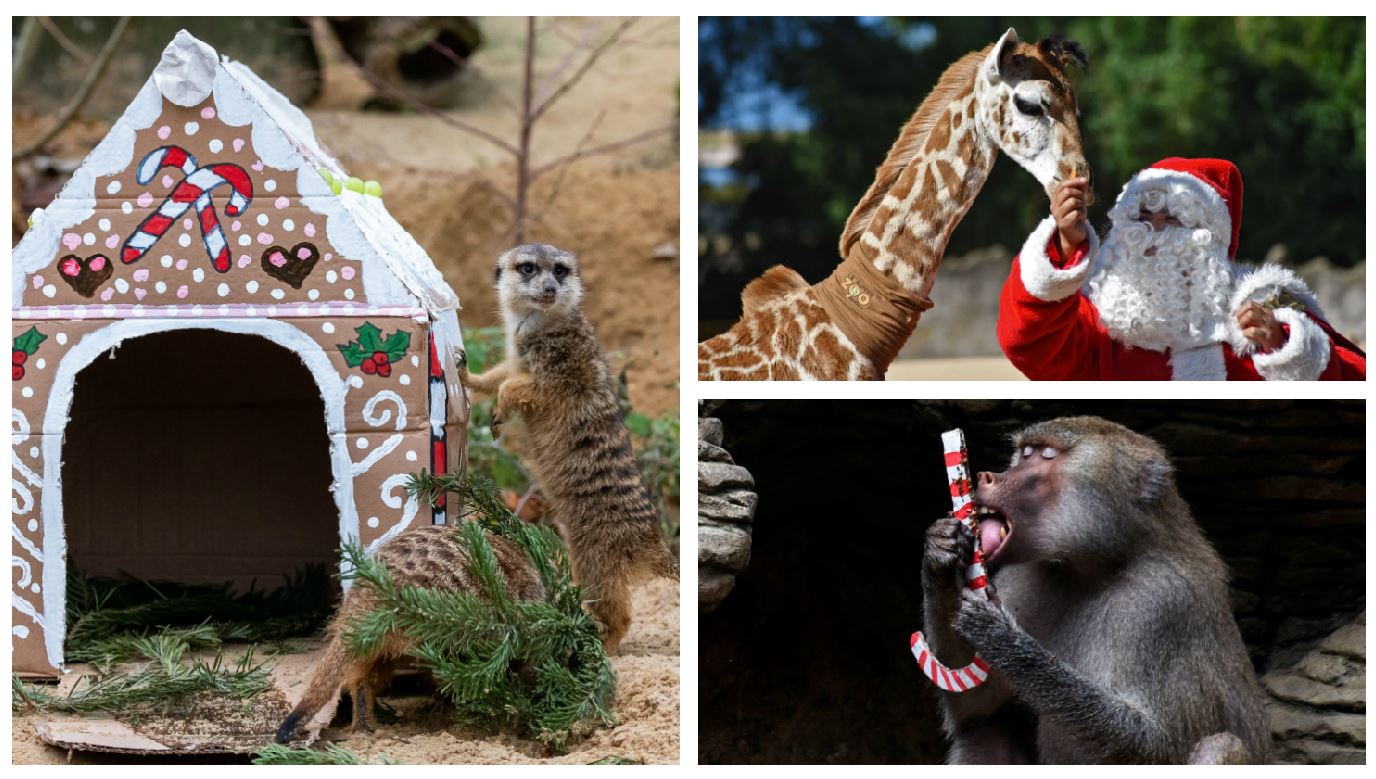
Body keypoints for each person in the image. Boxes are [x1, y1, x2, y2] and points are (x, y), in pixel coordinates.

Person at [998, 157, 1364, 380]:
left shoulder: (1263, 309)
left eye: (1173, 218)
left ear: (1210, 236)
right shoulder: (1098, 320)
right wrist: (1065, 245)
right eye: (1142, 217)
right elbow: (1029, 346)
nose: (1153, 231)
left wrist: (1283, 346)